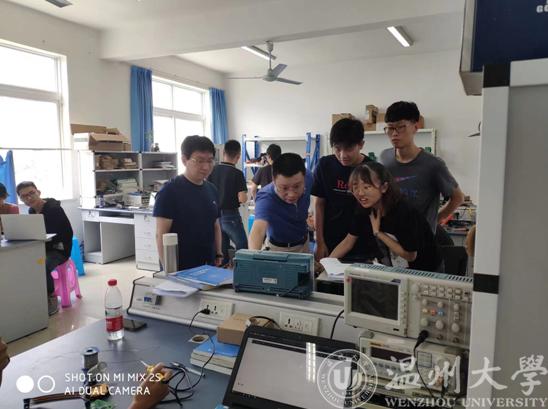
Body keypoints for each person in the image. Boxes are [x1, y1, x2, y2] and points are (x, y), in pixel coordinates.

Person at [330, 162, 442, 272]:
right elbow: (348, 241)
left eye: (367, 187)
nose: (360, 193)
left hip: (425, 270)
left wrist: (378, 233)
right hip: (392, 270)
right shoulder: (364, 209)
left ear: (384, 187)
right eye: (355, 187)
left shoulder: (403, 212)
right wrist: (326, 263)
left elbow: (410, 256)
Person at [379, 101, 464, 233]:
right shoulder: (384, 158)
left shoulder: (433, 164)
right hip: (389, 235)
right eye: (390, 128)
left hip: (420, 239)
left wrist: (433, 221)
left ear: (415, 127)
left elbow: (458, 198)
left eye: (400, 127)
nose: (394, 133)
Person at [154, 136, 223, 271]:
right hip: (180, 267)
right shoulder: (170, 191)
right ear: (184, 160)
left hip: (207, 265)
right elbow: (161, 234)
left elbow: (215, 225)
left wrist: (218, 252)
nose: (206, 167)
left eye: (210, 161)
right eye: (199, 161)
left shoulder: (212, 189)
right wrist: (168, 271)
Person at [312, 118, 374, 261]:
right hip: (329, 241)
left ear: (361, 145)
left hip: (362, 245)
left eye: (349, 148)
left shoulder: (371, 170)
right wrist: (320, 242)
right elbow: (319, 204)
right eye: (337, 148)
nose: (343, 155)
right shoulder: (324, 165)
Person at [17, 181, 74, 315]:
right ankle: (34, 296)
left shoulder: (54, 209)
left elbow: (64, 234)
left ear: (38, 192)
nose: (29, 198)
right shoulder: (31, 211)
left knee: (41, 265)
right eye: (24, 196)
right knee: (21, 263)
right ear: (21, 199)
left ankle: (50, 297)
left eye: (31, 193)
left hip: (59, 250)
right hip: (42, 248)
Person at [249, 153, 313, 253]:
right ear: (274, 181)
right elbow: (258, 230)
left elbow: (319, 199)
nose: (291, 195)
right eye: (284, 188)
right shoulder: (266, 197)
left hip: (304, 243)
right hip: (278, 249)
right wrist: (252, 257)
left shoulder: (308, 177)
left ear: (304, 178)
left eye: (296, 186)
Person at [208, 139, 248, 263]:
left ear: (224, 152)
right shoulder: (237, 173)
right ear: (238, 156)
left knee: (222, 249)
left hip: (215, 215)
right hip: (231, 216)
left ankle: (224, 269)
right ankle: (242, 270)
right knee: (243, 246)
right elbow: (242, 198)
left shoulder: (212, 170)